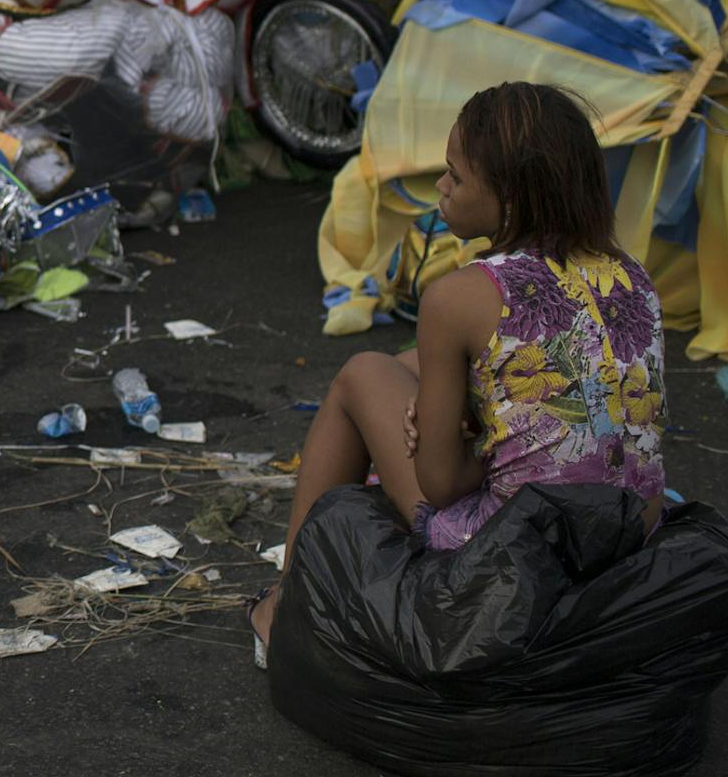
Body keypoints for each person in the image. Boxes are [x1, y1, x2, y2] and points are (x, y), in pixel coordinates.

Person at [248, 82, 666, 660]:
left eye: (455, 176)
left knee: (361, 374)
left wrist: (460, 439)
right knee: (403, 368)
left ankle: (286, 605)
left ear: (512, 198)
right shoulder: (632, 276)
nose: (442, 187)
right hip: (628, 536)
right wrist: (466, 412)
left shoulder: (460, 296)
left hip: (509, 555)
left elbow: (442, 485)